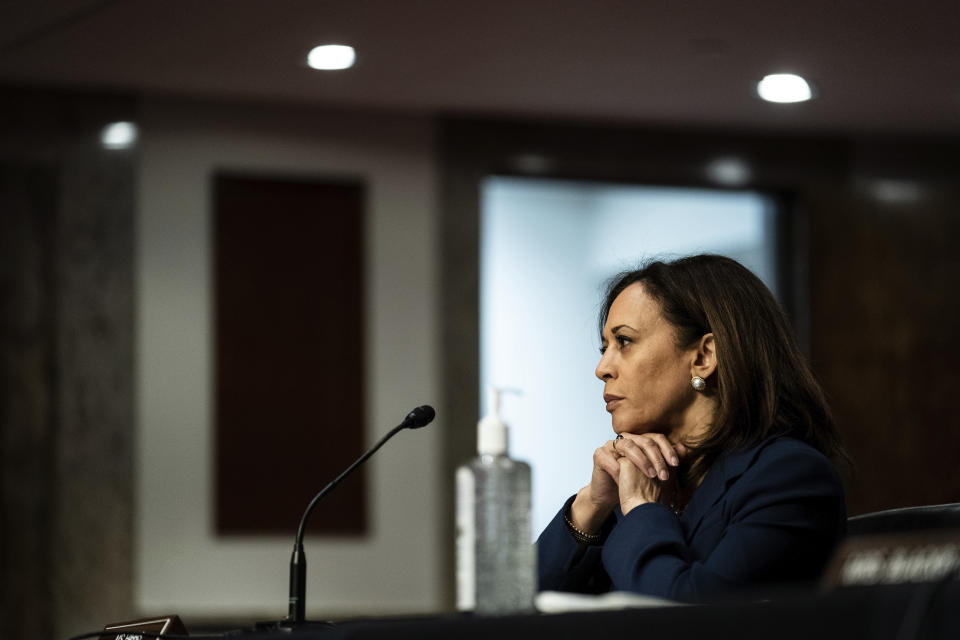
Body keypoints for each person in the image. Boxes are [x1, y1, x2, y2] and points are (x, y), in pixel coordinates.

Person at [536, 254, 849, 602]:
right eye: (604, 347)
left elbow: (688, 620)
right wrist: (589, 507)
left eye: (624, 342)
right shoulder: (638, 478)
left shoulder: (790, 477)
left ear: (703, 356)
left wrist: (641, 507)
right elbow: (507, 615)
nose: (602, 368)